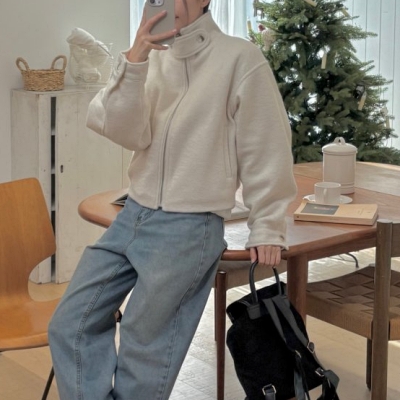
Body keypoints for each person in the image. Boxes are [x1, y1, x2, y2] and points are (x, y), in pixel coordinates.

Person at [48, 1, 297, 399]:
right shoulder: (150, 59)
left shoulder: (239, 59)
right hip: (133, 214)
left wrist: (267, 224)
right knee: (70, 324)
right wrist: (133, 63)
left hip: (189, 226)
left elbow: (266, 146)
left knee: (144, 346)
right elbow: (121, 130)